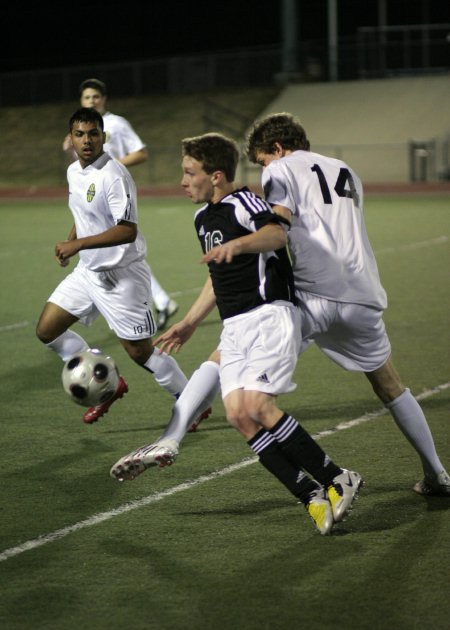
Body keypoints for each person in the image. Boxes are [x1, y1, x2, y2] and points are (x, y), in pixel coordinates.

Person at [113, 113, 450, 499]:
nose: (263, 170)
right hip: (363, 294)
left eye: (262, 161)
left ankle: (171, 436)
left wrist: (240, 244)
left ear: (276, 148)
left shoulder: (281, 170)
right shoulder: (345, 170)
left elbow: (278, 226)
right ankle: (436, 473)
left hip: (312, 293)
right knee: (390, 385)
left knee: (228, 353)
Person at [110, 132, 364, 536]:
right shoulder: (202, 219)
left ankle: (338, 478)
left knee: (261, 407)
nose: (182, 181)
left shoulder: (244, 202)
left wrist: (241, 244)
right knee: (238, 416)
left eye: (189, 172)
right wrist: (190, 322)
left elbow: (277, 235)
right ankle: (311, 498)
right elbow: (217, 278)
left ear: (215, 175)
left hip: (269, 316)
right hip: (235, 327)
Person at [37, 107, 188, 424]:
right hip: (88, 272)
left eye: (93, 133)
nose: (87, 140)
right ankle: (107, 380)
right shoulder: (73, 173)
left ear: (103, 137)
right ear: (71, 138)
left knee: (140, 352)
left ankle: (191, 402)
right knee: (48, 330)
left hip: (122, 276)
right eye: (80, 134)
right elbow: (84, 216)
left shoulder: (114, 174)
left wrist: (76, 245)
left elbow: (126, 229)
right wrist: (70, 244)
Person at [63, 78, 178, 331]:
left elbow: (142, 152)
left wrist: (111, 167)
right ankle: (162, 301)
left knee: (125, 247)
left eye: (96, 97)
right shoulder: (82, 128)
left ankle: (155, 302)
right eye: (87, 98)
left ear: (104, 99)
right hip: (94, 194)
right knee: (123, 251)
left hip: (114, 193)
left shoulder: (116, 124)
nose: (92, 101)